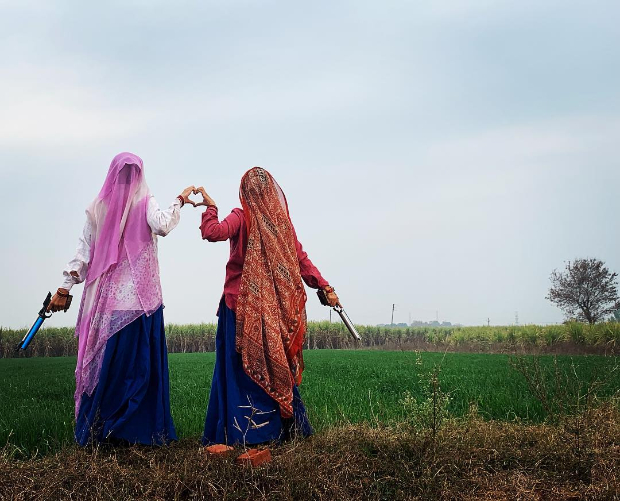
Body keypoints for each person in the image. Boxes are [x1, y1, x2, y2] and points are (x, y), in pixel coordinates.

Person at [47, 152, 197, 446]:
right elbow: (163, 225)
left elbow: (83, 254)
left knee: (110, 369)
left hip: (110, 307)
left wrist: (65, 288)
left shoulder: (98, 208)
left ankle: (104, 431)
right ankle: (139, 433)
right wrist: (179, 199)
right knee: (140, 369)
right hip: (142, 306)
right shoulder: (145, 202)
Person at [197, 166, 340, 447]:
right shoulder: (281, 226)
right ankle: (286, 430)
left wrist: (210, 207)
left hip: (237, 307)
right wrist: (325, 286)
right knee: (277, 368)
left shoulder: (241, 216)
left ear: (245, 192)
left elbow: (212, 232)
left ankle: (242, 434)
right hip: (269, 313)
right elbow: (301, 261)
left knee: (238, 370)